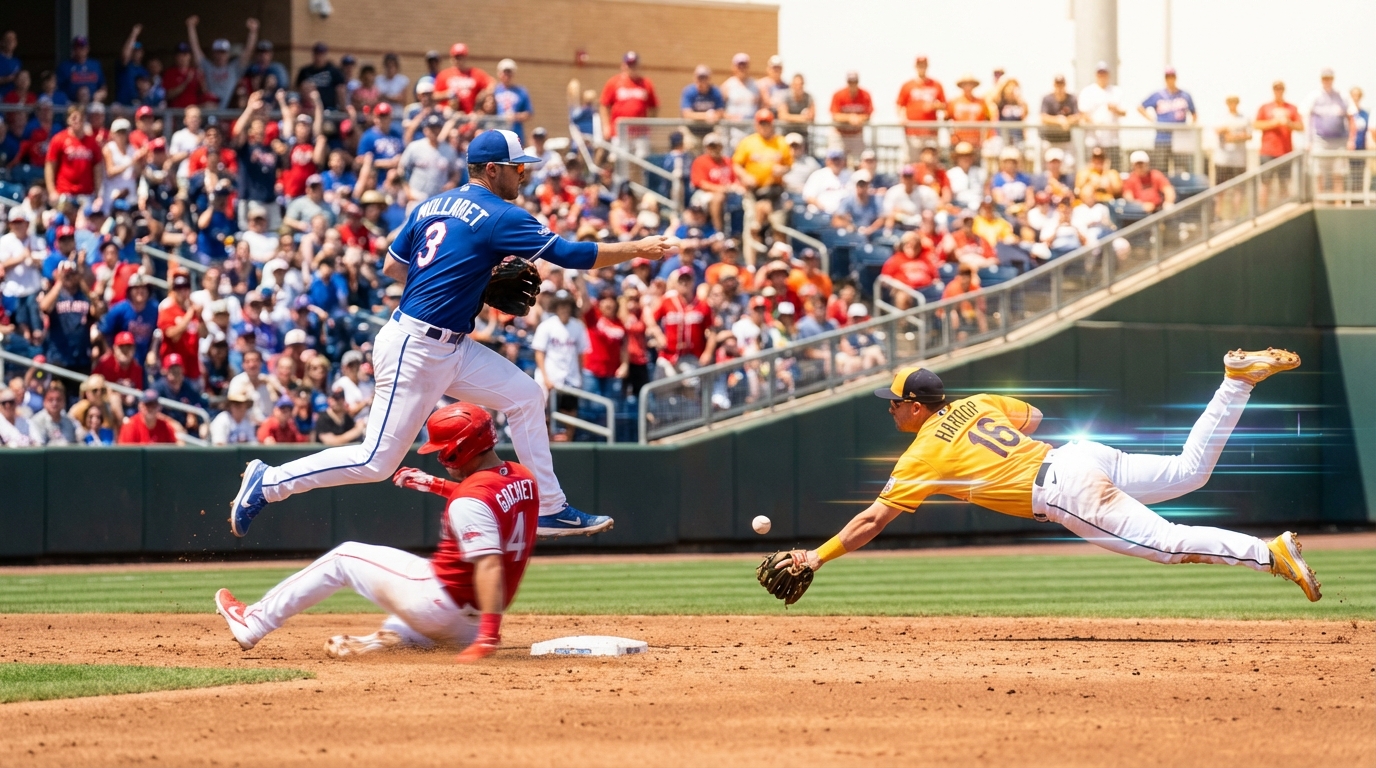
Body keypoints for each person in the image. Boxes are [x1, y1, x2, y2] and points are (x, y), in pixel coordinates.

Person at [228, 129, 673, 541]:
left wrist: (462, 280)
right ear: (492, 170)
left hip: (450, 345)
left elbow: (391, 267)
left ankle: (550, 508)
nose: (524, 176)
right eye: (518, 168)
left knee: (525, 396)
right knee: (374, 461)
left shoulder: (430, 204)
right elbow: (570, 255)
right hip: (416, 347)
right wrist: (639, 248)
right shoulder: (500, 214)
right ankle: (268, 482)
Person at [763, 353, 1323, 605]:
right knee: (1187, 471)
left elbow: (871, 519)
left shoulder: (921, 456)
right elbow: (1032, 418)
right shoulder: (979, 402)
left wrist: (816, 556)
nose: (889, 410)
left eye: (894, 404)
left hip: (1062, 491)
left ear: (915, 407)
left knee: (1167, 543)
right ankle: (1236, 382)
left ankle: (1269, 553)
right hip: (1081, 455)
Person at [215, 403, 537, 661]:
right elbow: (489, 504)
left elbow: (489, 562)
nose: (439, 456)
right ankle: (392, 642)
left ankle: (254, 622)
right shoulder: (521, 478)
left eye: (443, 449)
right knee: (417, 593)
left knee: (343, 557)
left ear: (460, 448)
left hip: (442, 606)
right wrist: (438, 485)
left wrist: (489, 637)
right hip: (471, 620)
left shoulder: (470, 501)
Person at [732, 110, 792, 240]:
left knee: (778, 227)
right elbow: (736, 165)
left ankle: (779, 257)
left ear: (772, 124)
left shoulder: (781, 142)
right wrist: (745, 176)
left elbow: (789, 166)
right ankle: (751, 260)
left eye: (767, 123)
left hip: (774, 192)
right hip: (753, 191)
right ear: (756, 125)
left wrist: (781, 170)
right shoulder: (748, 142)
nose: (764, 127)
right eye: (761, 124)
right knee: (752, 228)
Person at [1304, 69, 1353, 195]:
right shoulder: (1314, 96)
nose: (1327, 81)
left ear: (1333, 79)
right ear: (1321, 79)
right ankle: (1320, 200)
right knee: (1319, 173)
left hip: (1339, 140)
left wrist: (1351, 140)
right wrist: (1308, 141)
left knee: (1338, 173)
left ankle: (1338, 202)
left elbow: (1351, 118)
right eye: (1324, 78)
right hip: (1320, 140)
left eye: (1329, 78)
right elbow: (1306, 117)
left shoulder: (1342, 96)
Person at [600, 51, 657, 158]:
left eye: (634, 65)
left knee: (640, 162)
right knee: (620, 162)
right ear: (623, 65)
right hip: (620, 132)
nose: (631, 68)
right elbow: (604, 105)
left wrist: (649, 125)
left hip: (640, 133)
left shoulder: (646, 83)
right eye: (629, 64)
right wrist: (606, 127)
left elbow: (654, 107)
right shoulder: (614, 82)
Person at [1078, 61, 1126, 171]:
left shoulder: (1116, 91)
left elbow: (1124, 112)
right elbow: (1083, 113)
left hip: (1112, 140)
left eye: (1104, 73)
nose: (1102, 76)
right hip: (1093, 140)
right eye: (1100, 73)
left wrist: (1115, 109)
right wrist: (1095, 124)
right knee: (1091, 170)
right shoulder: (1088, 91)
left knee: (1113, 170)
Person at [896, 55, 945, 160]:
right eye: (919, 65)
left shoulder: (936, 84)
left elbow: (944, 105)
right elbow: (900, 104)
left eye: (924, 65)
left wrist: (934, 106)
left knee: (930, 162)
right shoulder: (907, 85)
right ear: (915, 66)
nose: (921, 67)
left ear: (927, 66)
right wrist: (901, 117)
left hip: (930, 132)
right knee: (913, 161)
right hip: (913, 132)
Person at [434, 43, 491, 115]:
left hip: (471, 116)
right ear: (452, 58)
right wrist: (448, 94)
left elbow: (492, 84)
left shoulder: (475, 73)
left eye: (461, 57)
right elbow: (434, 96)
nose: (459, 60)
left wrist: (483, 95)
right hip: (451, 116)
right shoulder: (444, 75)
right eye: (456, 57)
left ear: (466, 57)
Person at [829, 71, 873, 160]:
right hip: (840, 134)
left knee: (858, 162)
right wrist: (850, 118)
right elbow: (835, 115)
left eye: (854, 82)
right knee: (837, 161)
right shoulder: (839, 94)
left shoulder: (865, 95)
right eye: (850, 82)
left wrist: (858, 118)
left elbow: (868, 114)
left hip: (856, 134)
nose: (852, 84)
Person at [1039, 74, 1081, 162]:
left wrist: (1067, 121)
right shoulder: (1047, 99)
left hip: (1065, 140)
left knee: (1069, 165)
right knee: (1048, 168)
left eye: (1061, 84)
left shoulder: (1071, 98)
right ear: (1054, 85)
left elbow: (1078, 116)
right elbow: (1043, 117)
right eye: (1057, 84)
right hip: (1050, 140)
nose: (1059, 87)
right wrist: (1058, 120)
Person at [295, 42, 346, 111]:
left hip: (329, 109)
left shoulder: (334, 71)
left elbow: (340, 90)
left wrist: (343, 107)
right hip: (309, 109)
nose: (319, 57)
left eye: (321, 54)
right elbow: (297, 88)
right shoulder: (305, 71)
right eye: (317, 54)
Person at [492, 59, 532, 142]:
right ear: (499, 73)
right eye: (504, 72)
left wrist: (515, 116)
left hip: (515, 133)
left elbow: (528, 113)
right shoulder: (494, 91)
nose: (506, 75)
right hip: (496, 132)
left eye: (509, 72)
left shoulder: (521, 91)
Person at [28, 380, 79, 445]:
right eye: (50, 399)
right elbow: (39, 446)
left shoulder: (69, 422)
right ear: (44, 401)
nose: (55, 403)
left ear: (64, 401)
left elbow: (73, 444)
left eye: (58, 399)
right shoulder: (36, 421)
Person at [1214, 95, 1251, 184]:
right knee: (1220, 187)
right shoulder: (1221, 117)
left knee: (1239, 188)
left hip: (1239, 160)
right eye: (1230, 102)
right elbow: (1217, 131)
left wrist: (1234, 137)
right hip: (1223, 159)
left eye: (1234, 102)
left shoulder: (1244, 118)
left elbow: (1249, 135)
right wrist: (1227, 132)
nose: (1232, 104)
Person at [681, 64, 724, 135]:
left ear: (709, 78)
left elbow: (720, 112)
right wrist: (707, 116)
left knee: (719, 135)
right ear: (695, 78)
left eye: (704, 78)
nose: (702, 81)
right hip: (692, 130)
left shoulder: (715, 91)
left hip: (710, 130)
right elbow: (687, 114)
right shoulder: (689, 91)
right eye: (699, 78)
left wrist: (715, 115)